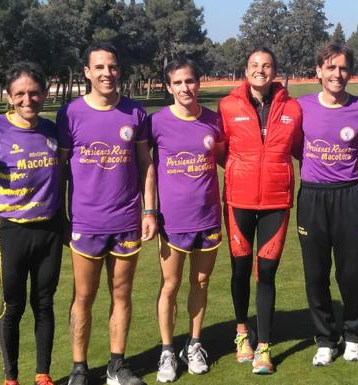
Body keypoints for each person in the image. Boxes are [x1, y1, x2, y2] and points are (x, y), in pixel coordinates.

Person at [57, 42, 157, 385]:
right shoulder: (70, 114)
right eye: (99, 67)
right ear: (87, 72)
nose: (106, 73)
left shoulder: (135, 113)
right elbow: (59, 170)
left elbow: (146, 165)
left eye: (112, 67)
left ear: (119, 70)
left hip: (127, 221)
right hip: (86, 222)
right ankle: (79, 369)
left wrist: (149, 210)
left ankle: (117, 365)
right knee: (83, 296)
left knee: (121, 293)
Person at [0, 62, 62, 385]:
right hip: (12, 232)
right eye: (19, 93)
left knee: (44, 304)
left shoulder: (50, 129)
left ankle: (43, 374)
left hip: (49, 231)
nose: (27, 99)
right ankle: (11, 378)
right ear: (9, 96)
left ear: (44, 94)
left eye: (34, 92)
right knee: (14, 305)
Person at [218, 47, 303, 374]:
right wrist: (242, 170)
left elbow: (300, 149)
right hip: (238, 200)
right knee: (239, 270)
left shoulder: (293, 109)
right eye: (255, 65)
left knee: (266, 273)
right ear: (246, 70)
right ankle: (242, 333)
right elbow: (220, 151)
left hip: (276, 202)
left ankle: (264, 346)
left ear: (274, 71)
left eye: (266, 66)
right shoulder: (228, 106)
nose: (260, 70)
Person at [296, 43, 358, 366]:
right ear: (318, 71)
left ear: (350, 72)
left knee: (352, 271)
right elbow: (287, 146)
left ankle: (355, 335)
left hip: (348, 196)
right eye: (330, 68)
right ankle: (326, 339)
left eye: (343, 68)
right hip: (312, 196)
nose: (337, 74)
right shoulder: (301, 106)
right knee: (316, 272)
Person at [149, 58, 222, 382]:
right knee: (170, 285)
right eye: (177, 83)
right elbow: (147, 170)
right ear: (168, 87)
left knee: (201, 283)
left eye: (189, 81)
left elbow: (225, 159)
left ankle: (194, 345)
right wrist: (149, 211)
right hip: (172, 221)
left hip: (208, 218)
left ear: (198, 82)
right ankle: (167, 350)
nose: (185, 88)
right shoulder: (157, 123)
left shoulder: (213, 121)